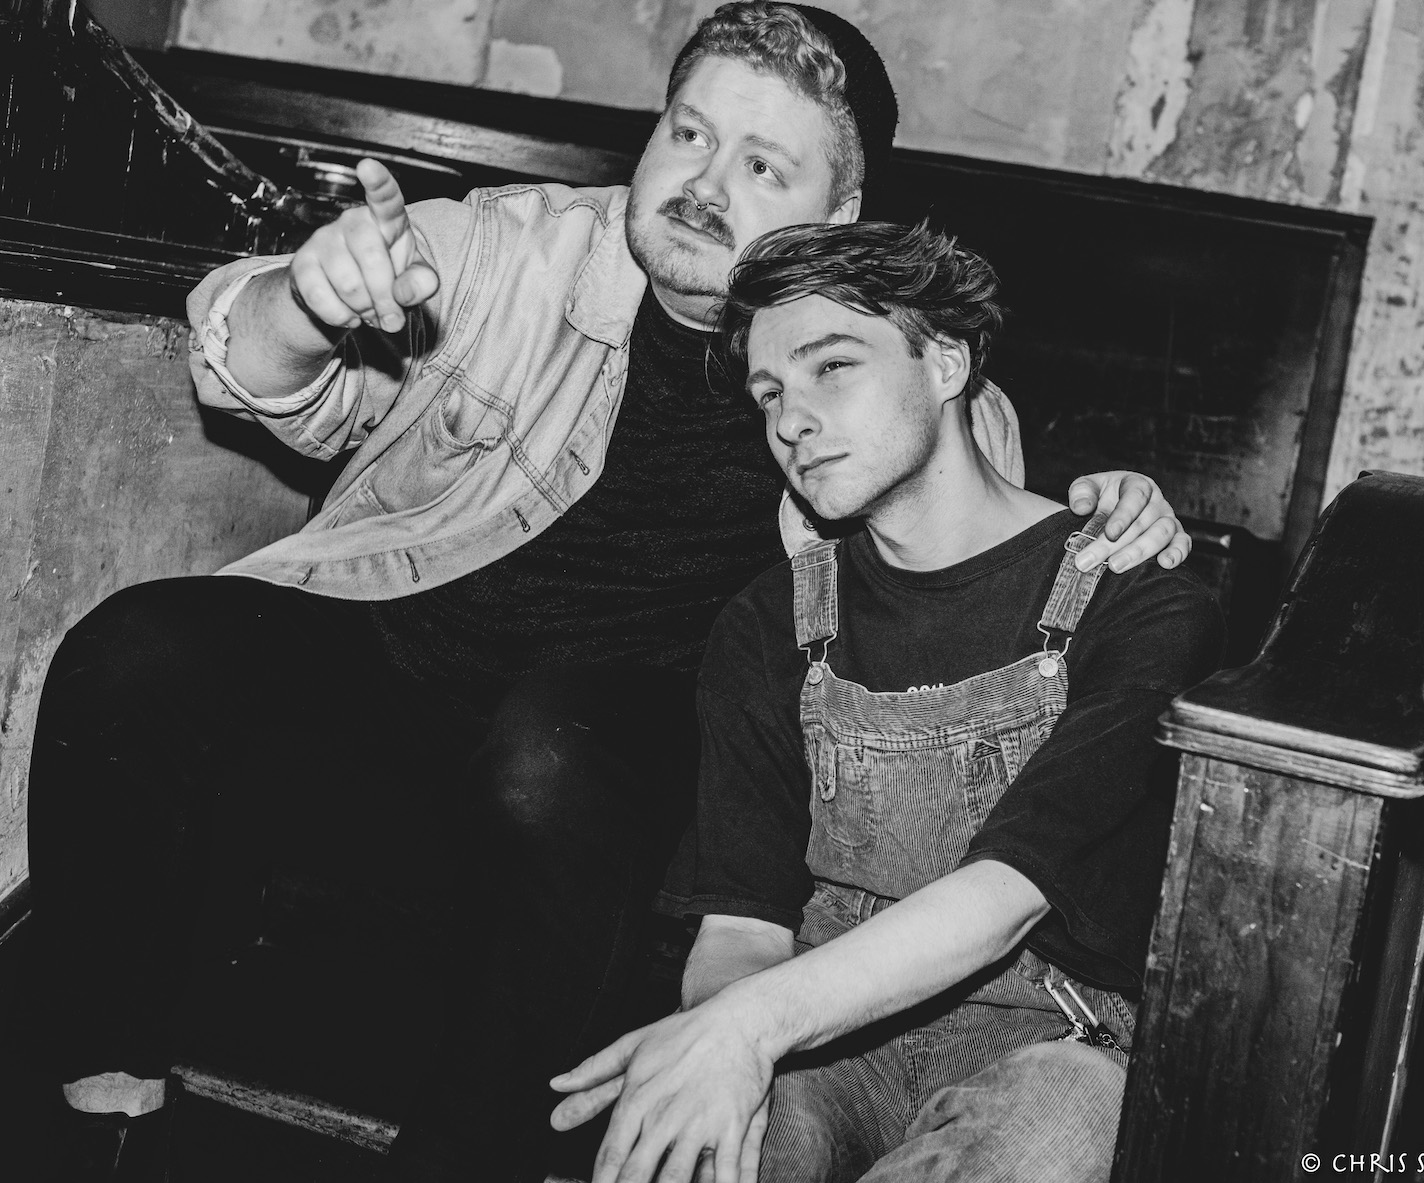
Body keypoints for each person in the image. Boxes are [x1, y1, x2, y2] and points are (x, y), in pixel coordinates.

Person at [27, 5, 1191, 1182]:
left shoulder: (887, 379)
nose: (704, 184)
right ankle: (105, 1109)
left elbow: (987, 547)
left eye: (763, 166)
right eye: (688, 134)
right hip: (406, 655)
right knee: (137, 649)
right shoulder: (517, 253)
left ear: (838, 215)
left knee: (556, 744)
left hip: (638, 738)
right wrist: (306, 298)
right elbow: (246, 366)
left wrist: (1120, 511)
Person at [548, 220, 1224, 1183]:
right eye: (770, 393)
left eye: (831, 367)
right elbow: (742, 928)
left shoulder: (1135, 597)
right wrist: (721, 1043)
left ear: (945, 361)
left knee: (1060, 1129)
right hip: (821, 1042)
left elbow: (1007, 897)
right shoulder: (768, 622)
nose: (791, 420)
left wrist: (749, 1023)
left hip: (1046, 1045)